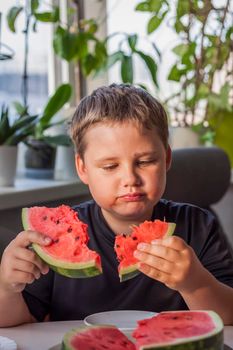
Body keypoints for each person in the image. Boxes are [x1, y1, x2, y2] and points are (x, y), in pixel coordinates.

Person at [0, 83, 233, 328]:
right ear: (82, 168)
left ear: (166, 159)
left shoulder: (199, 226)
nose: (130, 179)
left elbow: (229, 317)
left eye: (145, 161)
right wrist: (6, 288)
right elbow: (15, 322)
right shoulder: (52, 238)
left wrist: (196, 283)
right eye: (110, 167)